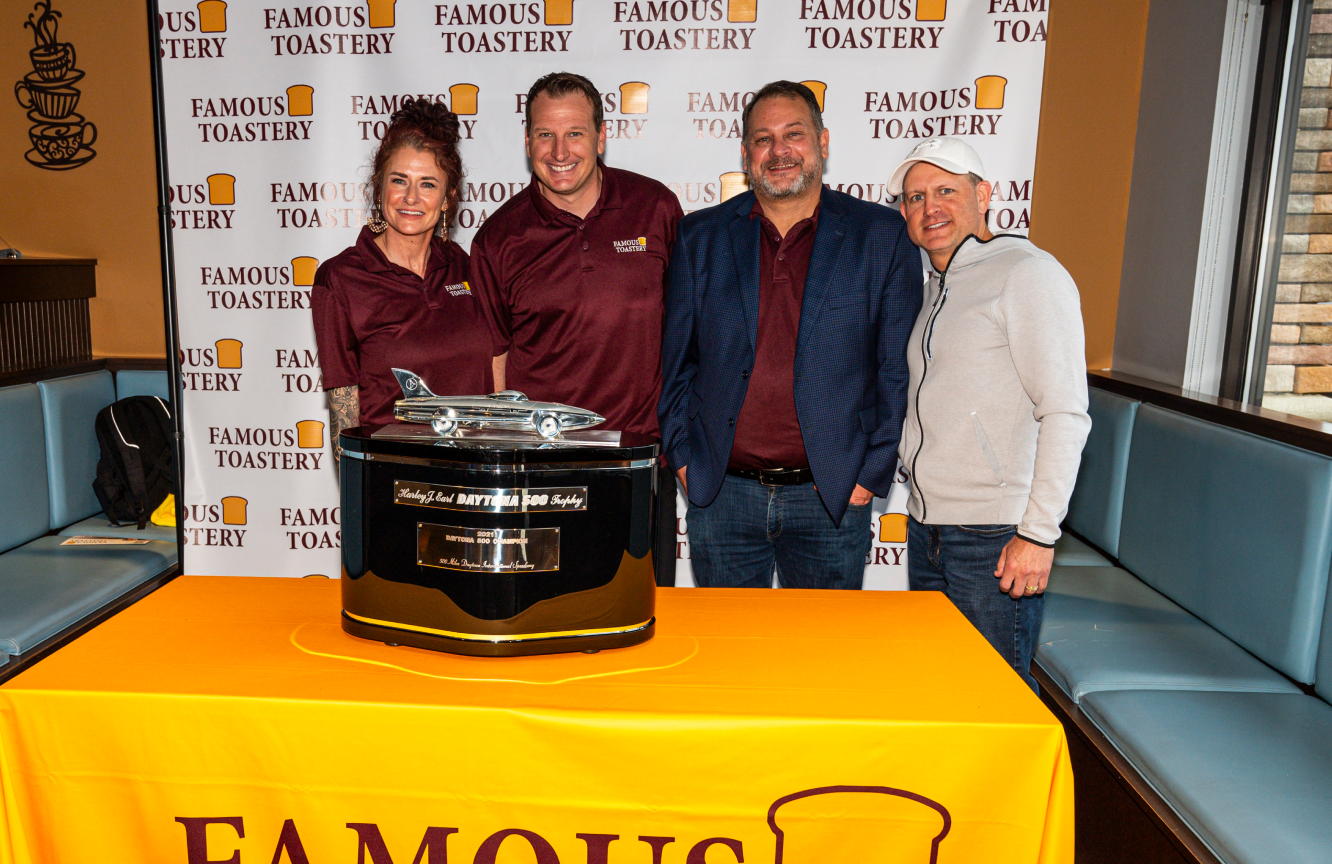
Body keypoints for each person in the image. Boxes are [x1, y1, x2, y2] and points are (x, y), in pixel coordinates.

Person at [658, 81, 921, 589]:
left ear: (823, 142)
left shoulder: (881, 235)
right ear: (745, 154)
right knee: (731, 639)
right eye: (763, 139)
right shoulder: (700, 236)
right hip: (722, 495)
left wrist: (870, 474)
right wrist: (684, 459)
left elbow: (895, 371)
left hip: (832, 496)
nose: (779, 151)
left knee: (823, 642)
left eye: (794, 134)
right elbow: (675, 364)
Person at [889, 138, 1089, 688]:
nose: (930, 208)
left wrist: (1038, 535)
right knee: (945, 693)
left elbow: (1066, 412)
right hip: (928, 529)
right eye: (915, 197)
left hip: (994, 538)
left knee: (997, 698)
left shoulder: (1027, 273)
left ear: (984, 196)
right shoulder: (933, 288)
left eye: (946, 191)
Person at [471, 71, 684, 585]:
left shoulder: (655, 208)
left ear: (602, 136)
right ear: (527, 141)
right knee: (546, 612)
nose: (560, 151)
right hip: (543, 471)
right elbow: (495, 360)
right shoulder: (498, 238)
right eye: (545, 134)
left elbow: (688, 332)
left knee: (644, 615)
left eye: (575, 133)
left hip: (640, 464)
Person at [314, 99, 494, 450]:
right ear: (380, 187)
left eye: (428, 184)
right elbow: (344, 424)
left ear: (447, 198)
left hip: (476, 472)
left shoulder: (465, 266)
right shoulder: (341, 279)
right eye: (399, 180)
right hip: (394, 475)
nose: (411, 197)